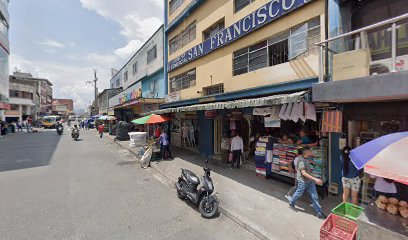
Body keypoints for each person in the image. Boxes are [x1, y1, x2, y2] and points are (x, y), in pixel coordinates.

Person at [289, 147, 326, 219]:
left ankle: (319, 213)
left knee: (314, 196)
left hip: (310, 181)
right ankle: (291, 203)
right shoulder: (301, 161)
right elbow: (303, 173)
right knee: (298, 193)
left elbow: (310, 163)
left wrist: (317, 163)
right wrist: (315, 179)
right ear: (306, 152)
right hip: (303, 181)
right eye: (310, 150)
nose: (311, 151)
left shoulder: (306, 158)